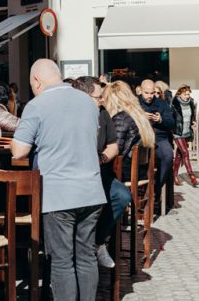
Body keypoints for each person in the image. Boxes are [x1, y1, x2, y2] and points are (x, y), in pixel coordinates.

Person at [11, 59, 106, 301]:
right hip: (92, 191)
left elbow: (19, 151)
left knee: (62, 260)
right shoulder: (88, 102)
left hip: (58, 194)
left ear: (36, 81)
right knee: (86, 256)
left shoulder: (36, 105)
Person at [73, 76, 131, 270]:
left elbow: (113, 145)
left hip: (99, 171)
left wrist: (102, 158)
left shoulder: (103, 113)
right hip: (74, 175)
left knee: (121, 195)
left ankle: (97, 242)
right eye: (99, 97)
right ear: (84, 97)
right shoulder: (70, 117)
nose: (103, 100)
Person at [102, 81, 156, 182]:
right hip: (141, 170)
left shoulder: (121, 118)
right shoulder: (139, 114)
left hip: (125, 172)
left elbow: (116, 150)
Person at [139, 79, 176, 196]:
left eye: (152, 93)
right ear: (140, 91)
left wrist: (161, 120)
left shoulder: (162, 104)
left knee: (168, 156)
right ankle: (140, 189)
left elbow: (171, 123)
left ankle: (155, 188)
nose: (150, 96)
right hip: (140, 137)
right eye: (146, 93)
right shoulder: (134, 103)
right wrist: (140, 117)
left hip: (159, 137)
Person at [171, 85, 199, 187]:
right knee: (185, 152)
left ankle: (174, 176)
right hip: (177, 132)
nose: (187, 96)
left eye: (188, 94)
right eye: (185, 94)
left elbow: (192, 114)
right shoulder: (174, 103)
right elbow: (171, 117)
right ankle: (191, 175)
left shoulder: (191, 102)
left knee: (179, 155)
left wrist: (193, 121)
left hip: (186, 131)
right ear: (180, 94)